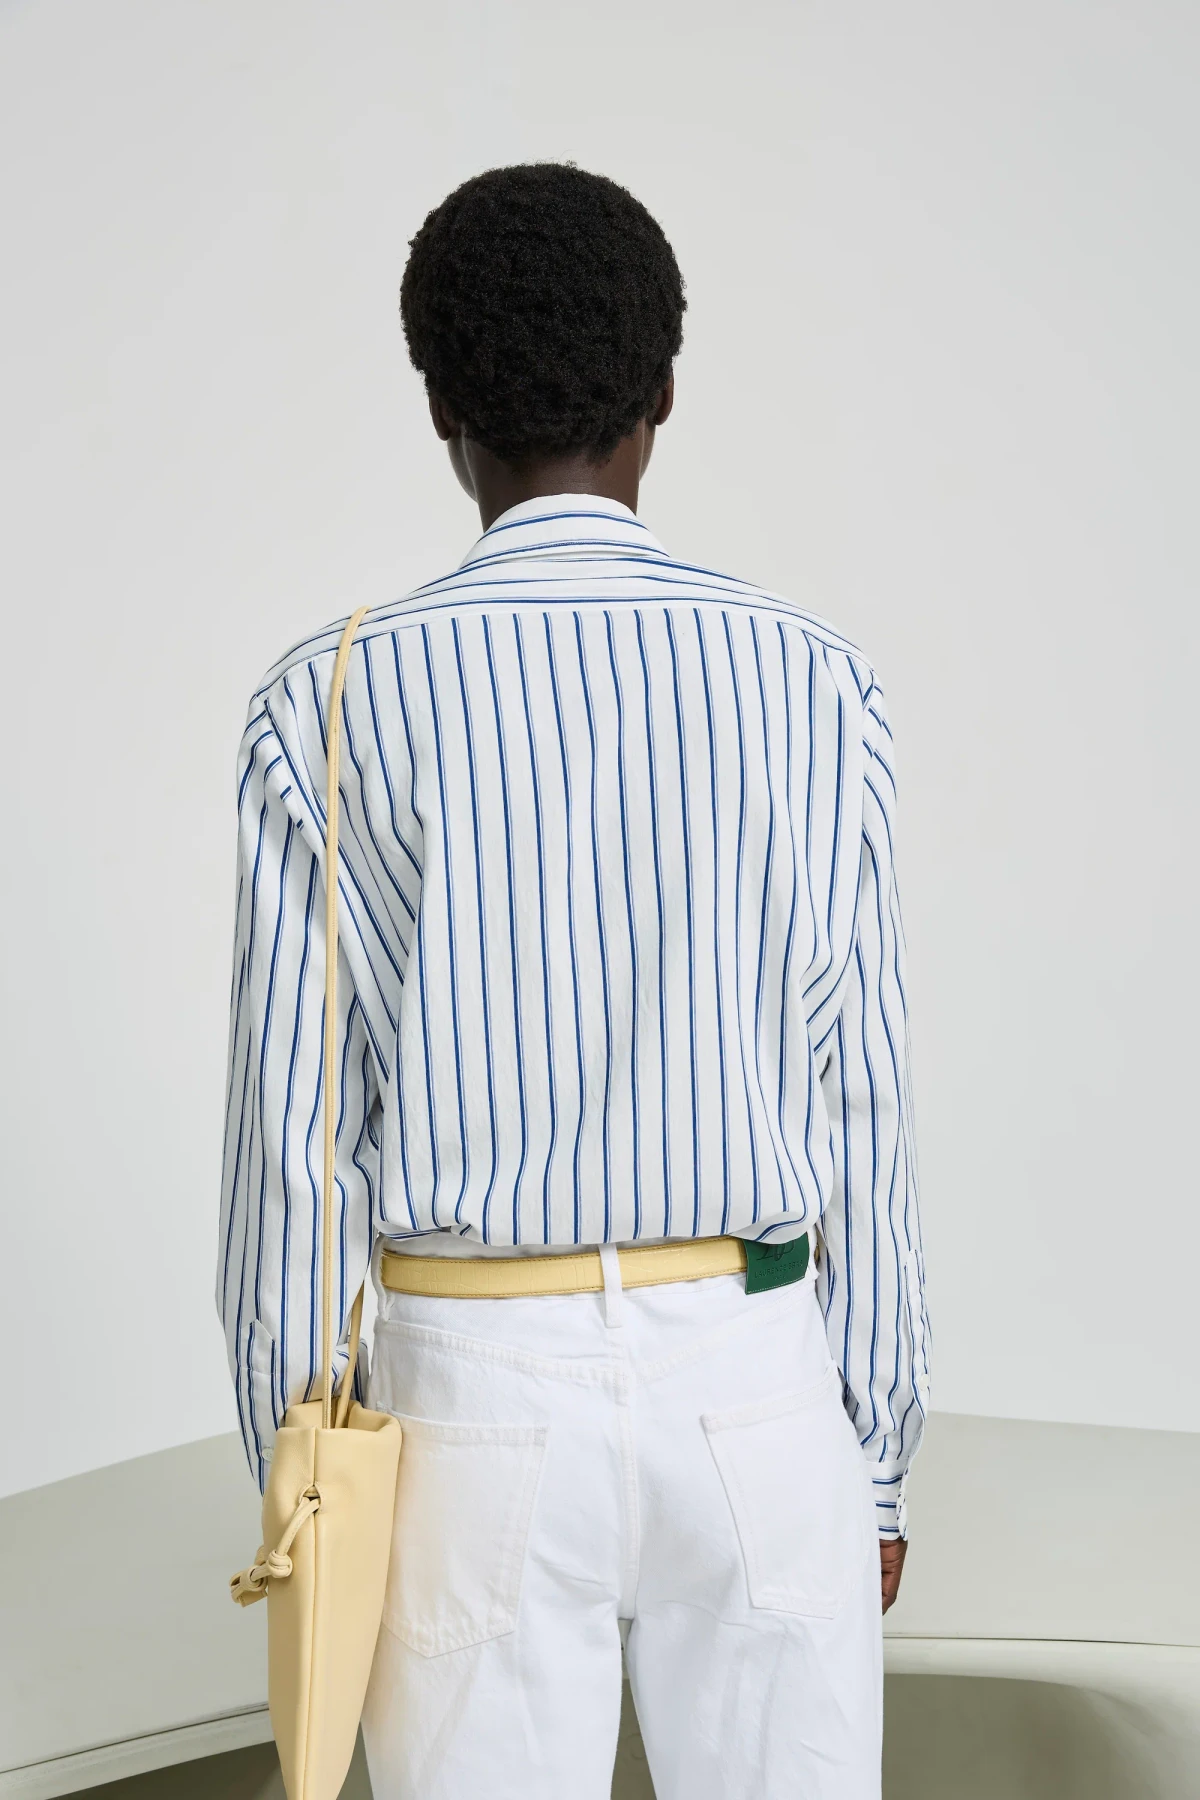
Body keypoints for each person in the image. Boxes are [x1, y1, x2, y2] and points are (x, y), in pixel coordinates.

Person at [218, 161, 929, 1800]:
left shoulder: (331, 701)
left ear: (439, 404)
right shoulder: (817, 683)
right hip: (757, 1371)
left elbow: (294, 1153)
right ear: (663, 390)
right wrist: (876, 1456)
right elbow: (866, 1097)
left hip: (469, 1396)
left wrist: (303, 1466)